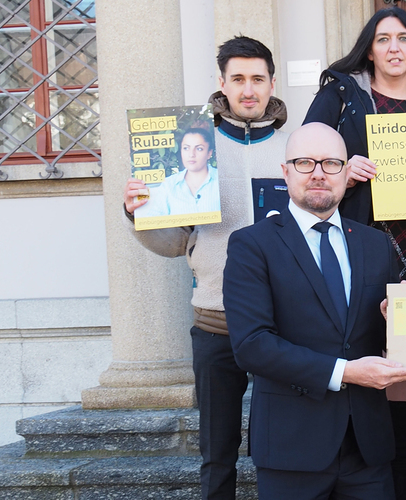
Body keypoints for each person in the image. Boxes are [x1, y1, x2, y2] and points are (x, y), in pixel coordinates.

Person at [302, 7, 406, 498]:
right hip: (355, 250)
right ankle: (353, 471)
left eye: (404, 39)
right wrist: (345, 171)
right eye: (383, 39)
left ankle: (398, 478)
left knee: (400, 370)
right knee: (356, 357)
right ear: (369, 48)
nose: (394, 47)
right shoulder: (341, 94)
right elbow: (307, 162)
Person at [122, 36, 289, 500]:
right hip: (217, 323)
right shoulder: (194, 145)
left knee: (286, 445)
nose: (249, 89)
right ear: (222, 83)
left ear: (272, 82)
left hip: (286, 325)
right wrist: (141, 212)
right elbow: (174, 242)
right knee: (217, 452)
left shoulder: (295, 148)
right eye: (238, 79)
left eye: (258, 78)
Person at [223, 122, 406, 499]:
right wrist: (346, 372)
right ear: (285, 172)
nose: (318, 173)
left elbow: (381, 340)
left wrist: (403, 319)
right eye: (304, 163)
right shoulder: (252, 245)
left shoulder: (375, 244)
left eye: (331, 163)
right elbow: (252, 344)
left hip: (367, 448)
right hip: (291, 447)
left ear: (348, 173)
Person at [140, 126, 220, 217]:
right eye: (186, 148)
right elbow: (153, 221)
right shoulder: (169, 185)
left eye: (199, 149)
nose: (191, 154)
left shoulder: (222, 180)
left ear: (209, 153)